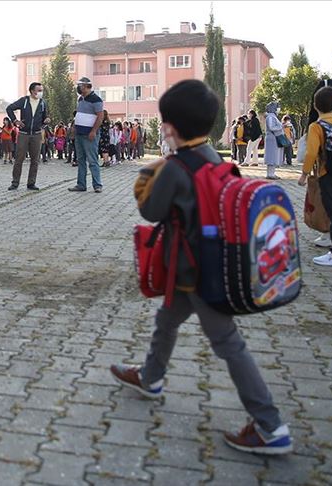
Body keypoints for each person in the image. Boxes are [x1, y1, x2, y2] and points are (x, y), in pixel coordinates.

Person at [112, 79, 293, 456]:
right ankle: (150, 378)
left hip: (198, 272)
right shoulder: (216, 158)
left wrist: (146, 178)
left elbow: (152, 210)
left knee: (228, 343)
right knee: (167, 320)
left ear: (169, 128)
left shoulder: (174, 168)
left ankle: (270, 425)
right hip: (203, 263)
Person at [298, 87, 332, 267]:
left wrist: (304, 175)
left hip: (328, 175)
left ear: (316, 107)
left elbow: (311, 153)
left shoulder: (316, 127)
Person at [306, 45, 332, 249]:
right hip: (330, 153)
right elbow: (313, 117)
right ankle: (329, 232)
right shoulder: (327, 85)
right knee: (329, 194)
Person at [6, 82, 50, 190]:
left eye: (41, 90)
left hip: (36, 134)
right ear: (32, 91)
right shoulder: (24, 101)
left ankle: (31, 183)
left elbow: (45, 117)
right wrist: (15, 121)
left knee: (35, 160)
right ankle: (15, 182)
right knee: (19, 159)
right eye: (39, 90)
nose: (41, 92)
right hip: (23, 134)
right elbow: (9, 108)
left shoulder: (43, 103)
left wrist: (46, 121)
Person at [68, 77, 104, 193]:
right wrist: (74, 128)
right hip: (79, 134)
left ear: (87, 86)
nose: (79, 88)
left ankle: (97, 185)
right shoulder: (80, 99)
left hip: (89, 135)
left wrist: (93, 131)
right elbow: (78, 114)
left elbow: (100, 116)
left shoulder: (96, 99)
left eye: (81, 85)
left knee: (92, 160)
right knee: (80, 160)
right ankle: (81, 184)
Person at [264, 102, 284, 180]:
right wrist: (281, 126)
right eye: (277, 107)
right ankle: (270, 174)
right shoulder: (271, 117)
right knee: (271, 156)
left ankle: (272, 173)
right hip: (272, 139)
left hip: (273, 139)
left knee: (273, 156)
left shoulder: (273, 116)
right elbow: (272, 127)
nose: (278, 109)